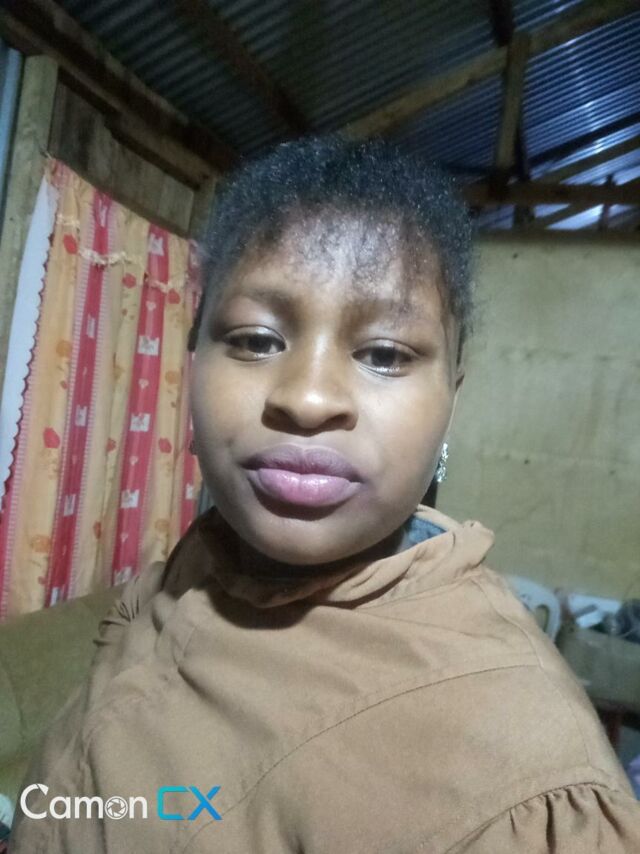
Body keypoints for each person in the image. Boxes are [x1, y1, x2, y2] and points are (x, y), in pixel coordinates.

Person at [10, 136, 640, 852]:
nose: (308, 399)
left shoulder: (528, 784)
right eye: (255, 340)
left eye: (384, 354)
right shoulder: (197, 564)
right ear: (193, 360)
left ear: (451, 404)